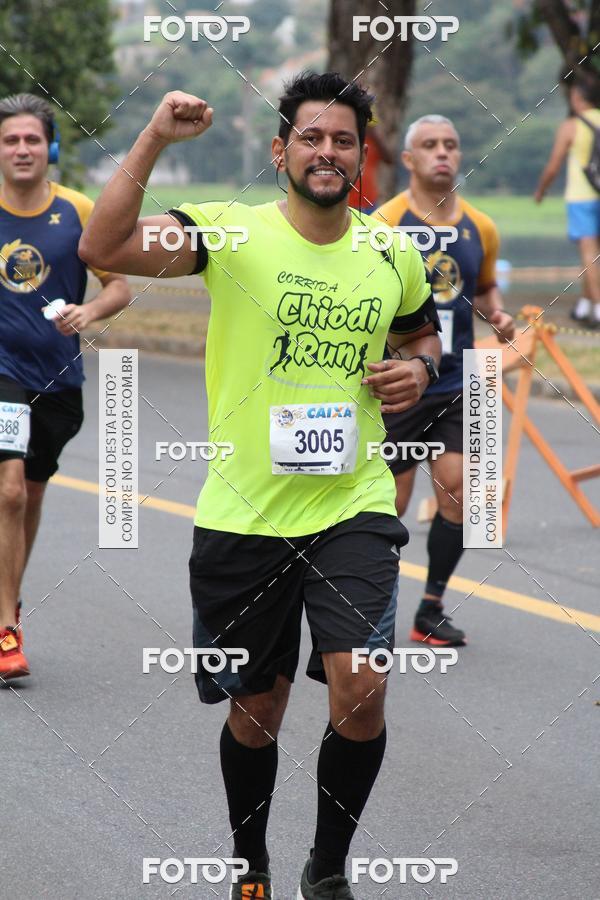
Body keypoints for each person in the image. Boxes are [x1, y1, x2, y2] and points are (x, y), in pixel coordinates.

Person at [79, 73, 442, 899]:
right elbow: (103, 249)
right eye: (310, 137)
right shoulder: (228, 234)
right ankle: (252, 869)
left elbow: (423, 331)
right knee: (257, 714)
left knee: (362, 685)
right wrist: (156, 140)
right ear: (281, 151)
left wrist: (418, 370)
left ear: (360, 157)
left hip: (353, 503)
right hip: (243, 515)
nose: (327, 151)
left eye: (342, 140)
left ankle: (329, 870)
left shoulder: (392, 251)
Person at [0, 93, 130, 680]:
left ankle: (8, 601)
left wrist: (90, 310)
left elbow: (118, 285)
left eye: (31, 139)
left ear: (49, 147)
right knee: (8, 492)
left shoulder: (77, 208)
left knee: (29, 495)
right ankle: (6, 630)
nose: (21, 149)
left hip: (58, 380)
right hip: (3, 374)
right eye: (10, 140)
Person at [375, 114, 515, 648]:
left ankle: (430, 607)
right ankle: (371, 606)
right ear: (408, 159)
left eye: (451, 145)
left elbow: (482, 292)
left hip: (461, 380)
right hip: (401, 380)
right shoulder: (383, 223)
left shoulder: (482, 227)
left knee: (459, 491)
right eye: (430, 145)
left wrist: (497, 316)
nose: (443, 154)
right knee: (391, 502)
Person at [535, 76, 600, 327]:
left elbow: (553, 166)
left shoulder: (572, 126)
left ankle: (596, 308)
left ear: (577, 98)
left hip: (582, 196)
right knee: (595, 255)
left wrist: (541, 190)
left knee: (588, 253)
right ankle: (585, 306)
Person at [348, 120, 394, 213]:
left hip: (369, 201)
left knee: (368, 227)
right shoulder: (349, 141)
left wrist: (376, 136)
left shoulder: (374, 143)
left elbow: (389, 159)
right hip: (348, 202)